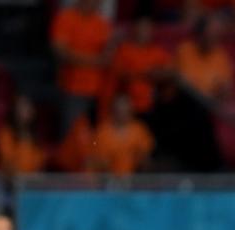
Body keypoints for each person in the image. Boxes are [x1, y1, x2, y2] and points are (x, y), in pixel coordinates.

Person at [51, 0, 113, 134]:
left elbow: (108, 56)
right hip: (73, 88)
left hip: (99, 91)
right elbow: (60, 51)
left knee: (96, 136)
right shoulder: (66, 17)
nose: (98, 4)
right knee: (72, 135)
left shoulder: (101, 23)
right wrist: (95, 61)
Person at [105, 17, 173, 118]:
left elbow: (171, 72)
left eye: (147, 29)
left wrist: (157, 75)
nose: (143, 32)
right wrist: (143, 73)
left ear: (152, 31)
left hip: (151, 106)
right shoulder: (124, 50)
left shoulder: (158, 52)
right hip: (127, 106)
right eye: (141, 28)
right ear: (134, 29)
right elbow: (119, 74)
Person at [92, 93, 154, 175]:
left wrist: (138, 159)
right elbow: (94, 159)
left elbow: (146, 157)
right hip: (106, 179)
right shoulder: (102, 131)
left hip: (134, 178)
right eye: (119, 110)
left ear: (131, 110)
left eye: (125, 110)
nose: (122, 113)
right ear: (113, 110)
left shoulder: (139, 130)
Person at [175, 14, 233, 101]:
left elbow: (226, 89)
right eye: (211, 34)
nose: (214, 38)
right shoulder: (184, 51)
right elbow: (181, 85)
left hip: (209, 105)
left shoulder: (220, 55)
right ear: (200, 34)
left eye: (217, 35)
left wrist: (223, 92)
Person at [0, 95, 47, 176]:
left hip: (30, 182)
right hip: (8, 181)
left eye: (28, 107)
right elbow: (7, 161)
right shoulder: (7, 133)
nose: (26, 110)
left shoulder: (35, 135)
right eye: (21, 107)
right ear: (14, 111)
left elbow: (39, 162)